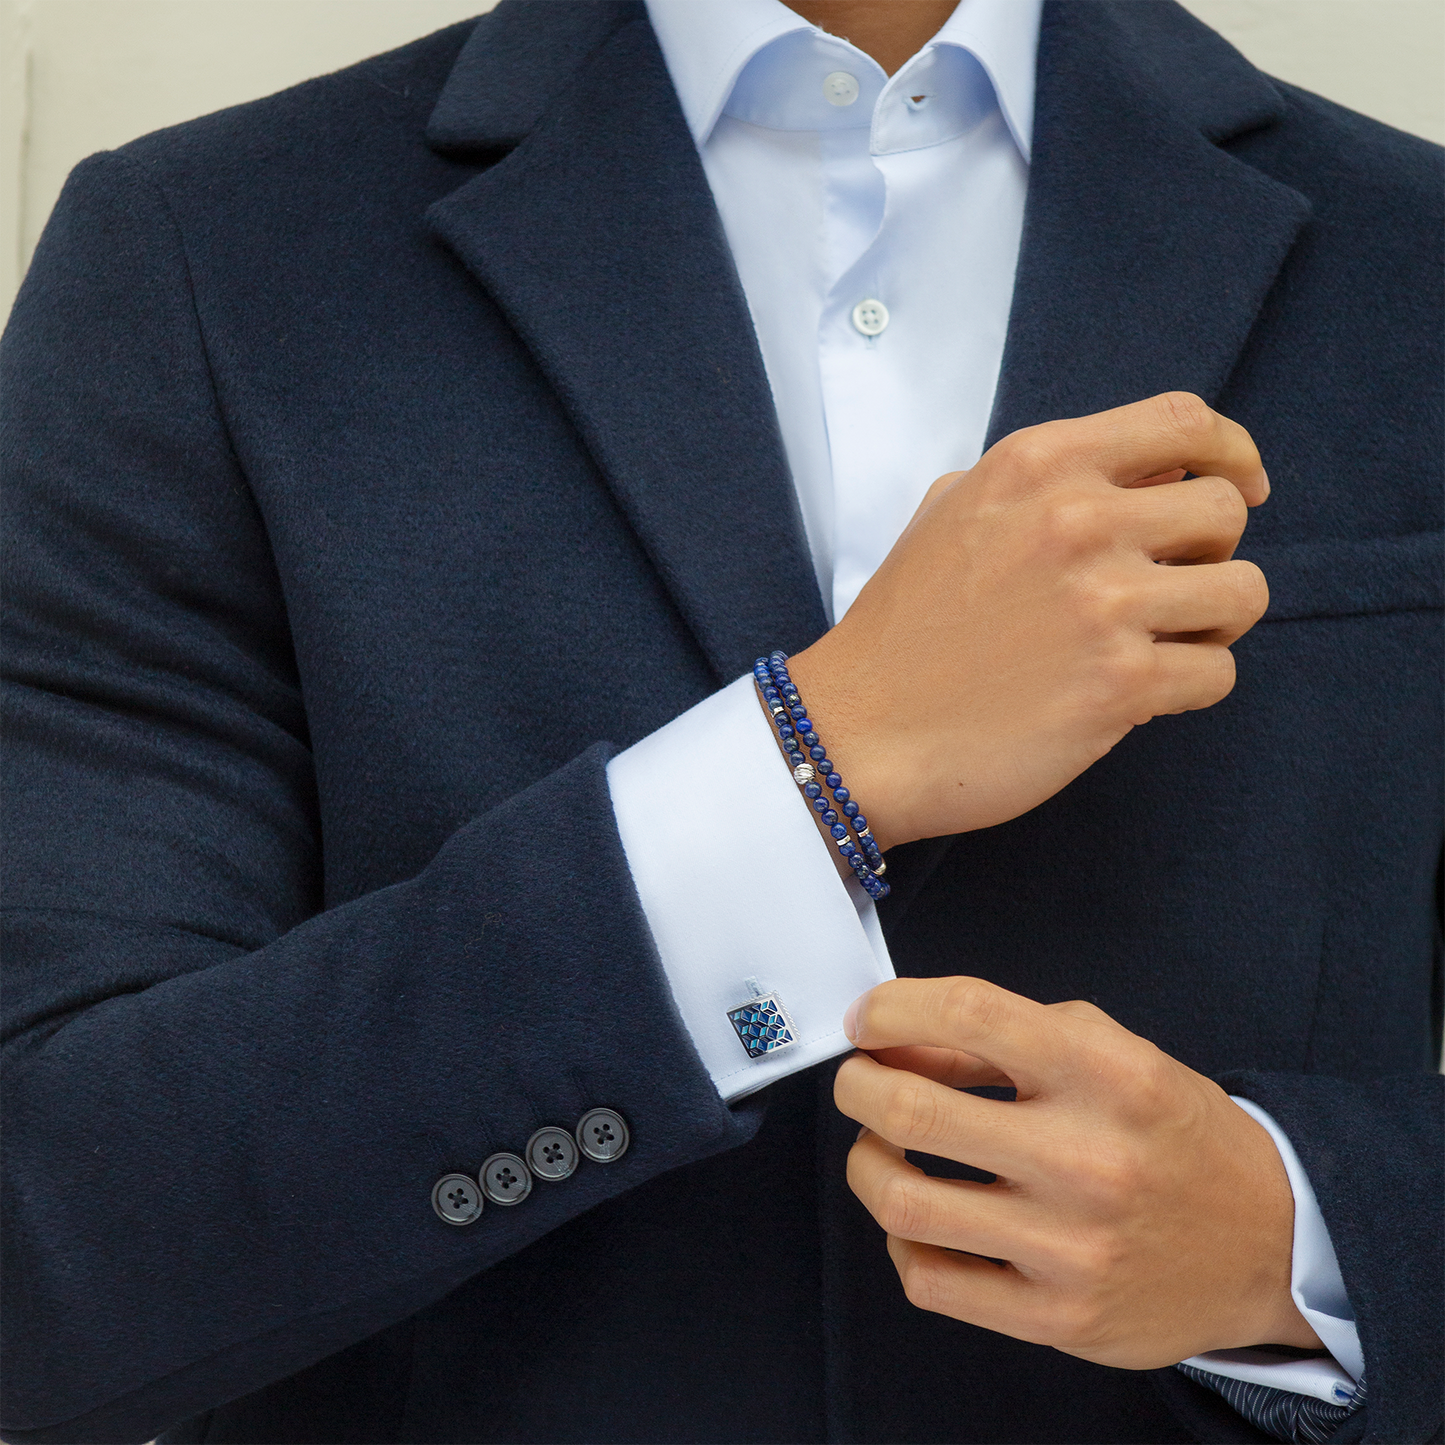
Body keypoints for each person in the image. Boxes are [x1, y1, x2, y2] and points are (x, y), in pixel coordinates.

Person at [0, 0, 1441, 1439]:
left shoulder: (1413, 259)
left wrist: (1302, 1237)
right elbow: (53, 1236)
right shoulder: (204, 255)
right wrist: (812, 766)